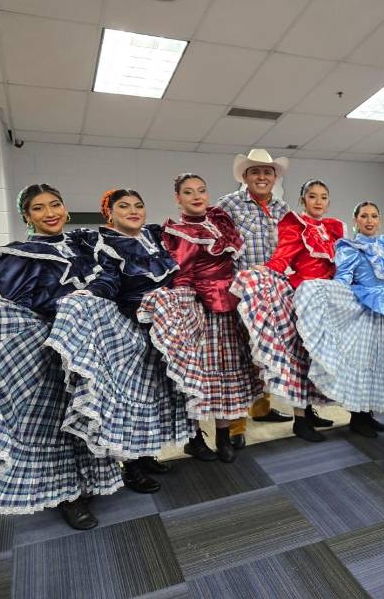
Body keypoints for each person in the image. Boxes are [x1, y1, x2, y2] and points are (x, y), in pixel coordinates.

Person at [0, 184, 123, 530]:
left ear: (65, 209)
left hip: (90, 341)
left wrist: (86, 297)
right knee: (56, 419)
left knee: (89, 414)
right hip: (47, 344)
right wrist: (75, 300)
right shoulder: (17, 254)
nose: (49, 213)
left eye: (55, 204)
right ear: (26, 216)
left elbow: (111, 283)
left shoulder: (88, 245)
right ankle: (68, 497)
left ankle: (91, 481)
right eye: (38, 208)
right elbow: (27, 301)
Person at [45, 189, 192, 495]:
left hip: (163, 326)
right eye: (124, 206)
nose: (134, 211)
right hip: (131, 325)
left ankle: (147, 454)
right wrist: (92, 293)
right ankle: (131, 467)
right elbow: (108, 279)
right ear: (109, 212)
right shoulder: (106, 243)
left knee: (153, 394)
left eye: (139, 205)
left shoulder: (153, 236)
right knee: (130, 397)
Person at [138, 174, 262, 464]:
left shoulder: (219, 221)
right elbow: (181, 276)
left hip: (229, 306)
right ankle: (195, 438)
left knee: (229, 374)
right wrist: (186, 314)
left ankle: (223, 435)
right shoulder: (179, 232)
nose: (197, 196)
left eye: (202, 191)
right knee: (199, 377)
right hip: (199, 309)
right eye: (189, 192)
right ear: (177, 198)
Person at [231, 179, 344, 442]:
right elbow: (284, 255)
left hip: (329, 296)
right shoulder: (296, 224)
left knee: (321, 358)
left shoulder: (333, 228)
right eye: (312, 196)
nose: (318, 201)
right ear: (303, 200)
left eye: (323, 196)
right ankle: (301, 421)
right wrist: (267, 269)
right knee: (303, 357)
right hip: (305, 295)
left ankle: (311, 410)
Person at [294, 201, 384, 437]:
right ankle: (357, 418)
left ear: (379, 220)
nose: (369, 220)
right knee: (363, 361)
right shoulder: (349, 247)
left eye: (374, 216)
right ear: (355, 220)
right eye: (364, 216)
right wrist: (323, 292)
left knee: (381, 362)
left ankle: (367, 415)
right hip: (365, 309)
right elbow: (343, 278)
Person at [217, 149, 294, 450]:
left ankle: (261, 408)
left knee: (264, 351)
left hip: (273, 289)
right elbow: (218, 249)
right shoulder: (229, 205)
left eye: (267, 172)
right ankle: (236, 424)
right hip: (240, 290)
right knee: (238, 355)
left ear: (275, 177)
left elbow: (289, 248)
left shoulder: (283, 209)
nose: (262, 177)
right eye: (255, 172)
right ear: (245, 177)